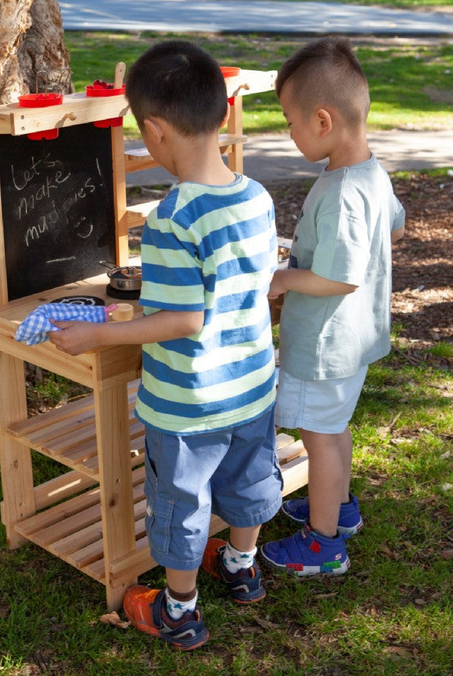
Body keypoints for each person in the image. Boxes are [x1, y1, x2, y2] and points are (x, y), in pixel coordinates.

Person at [49, 40, 281, 650]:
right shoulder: (256, 196)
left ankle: (179, 609)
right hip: (253, 386)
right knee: (248, 482)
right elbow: (244, 287)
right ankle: (240, 568)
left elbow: (181, 320)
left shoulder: (174, 216)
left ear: (153, 131)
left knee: (182, 501)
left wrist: (99, 332)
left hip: (189, 403)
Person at [260, 36, 405, 577]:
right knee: (335, 427)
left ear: (322, 121)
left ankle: (323, 544)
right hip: (357, 337)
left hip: (323, 342)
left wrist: (280, 278)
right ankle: (339, 509)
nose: (287, 131)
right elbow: (394, 223)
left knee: (317, 439)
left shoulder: (342, 191)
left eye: (288, 120)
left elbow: (337, 278)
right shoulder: (371, 172)